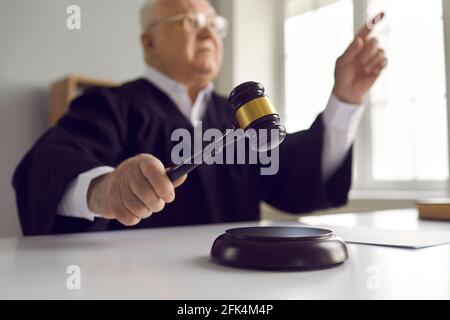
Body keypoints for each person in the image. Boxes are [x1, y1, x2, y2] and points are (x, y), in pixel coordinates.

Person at [12, 0, 387, 236]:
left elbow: (296, 174)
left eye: (215, 24)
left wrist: (345, 99)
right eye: (189, 20)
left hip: (237, 288)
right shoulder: (109, 105)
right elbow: (44, 167)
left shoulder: (236, 115)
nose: (209, 31)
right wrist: (104, 191)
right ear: (149, 42)